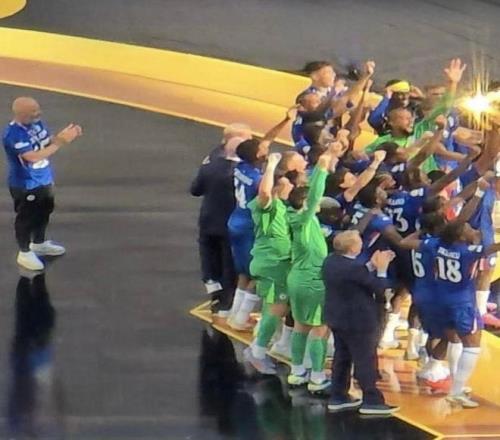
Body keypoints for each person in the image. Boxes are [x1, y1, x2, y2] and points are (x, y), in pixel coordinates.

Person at [227, 108, 297, 330]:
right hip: (251, 226)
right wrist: (274, 170)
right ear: (259, 156)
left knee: (243, 271)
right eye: (263, 150)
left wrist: (285, 121)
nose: (267, 148)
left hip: (235, 221)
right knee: (257, 273)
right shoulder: (258, 178)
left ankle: (235, 313)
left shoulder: (241, 165)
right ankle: (241, 319)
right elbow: (266, 193)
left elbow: (264, 141)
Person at [323, 230, 399, 415]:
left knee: (342, 357)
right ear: (352, 248)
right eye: (358, 241)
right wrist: (382, 269)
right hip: (358, 321)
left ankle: (338, 396)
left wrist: (371, 265)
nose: (362, 244)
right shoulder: (353, 268)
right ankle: (371, 401)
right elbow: (380, 289)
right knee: (365, 360)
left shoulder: (330, 261)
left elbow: (356, 277)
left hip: (337, 318)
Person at [2, 97, 82, 271]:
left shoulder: (37, 124)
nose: (38, 113)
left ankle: (39, 243)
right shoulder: (13, 134)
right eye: (33, 111)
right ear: (21, 114)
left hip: (43, 179)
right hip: (26, 184)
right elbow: (33, 157)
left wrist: (61, 136)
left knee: (45, 211)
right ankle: (24, 252)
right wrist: (61, 142)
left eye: (37, 109)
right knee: (26, 218)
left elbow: (47, 142)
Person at [286, 149, 339, 393]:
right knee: (320, 328)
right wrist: (321, 168)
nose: (319, 201)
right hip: (313, 280)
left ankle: (297, 371)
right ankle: (317, 376)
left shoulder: (292, 216)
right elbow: (315, 193)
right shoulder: (305, 219)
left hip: (297, 277)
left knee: (300, 325)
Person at [243, 153, 294, 374]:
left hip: (276, 265)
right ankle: (257, 353)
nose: (291, 186)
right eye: (287, 183)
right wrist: (271, 165)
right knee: (276, 309)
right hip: (272, 265)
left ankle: (258, 346)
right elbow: (264, 192)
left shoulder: (280, 206)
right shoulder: (268, 207)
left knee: (271, 309)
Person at [190, 136, 242, 315]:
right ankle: (226, 303)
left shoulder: (209, 165)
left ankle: (214, 293)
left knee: (210, 258)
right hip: (231, 224)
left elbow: (195, 190)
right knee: (228, 264)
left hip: (208, 220)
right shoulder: (241, 172)